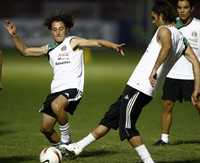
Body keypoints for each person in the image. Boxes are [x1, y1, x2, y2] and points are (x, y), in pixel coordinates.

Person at [60, 1, 200, 163]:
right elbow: (196, 63)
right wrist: (196, 88)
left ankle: (148, 161)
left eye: (154, 18)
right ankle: (78, 146)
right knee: (110, 118)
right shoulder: (181, 38)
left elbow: (166, 47)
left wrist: (155, 69)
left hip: (140, 88)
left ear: (162, 16)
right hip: (136, 87)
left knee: (127, 127)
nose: (153, 21)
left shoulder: (164, 30)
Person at [4, 13, 124, 147]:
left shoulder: (73, 42)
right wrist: (14, 35)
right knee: (46, 129)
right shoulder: (48, 49)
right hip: (56, 91)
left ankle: (66, 138)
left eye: (61, 28)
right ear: (51, 31)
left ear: (67, 30)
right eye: (54, 29)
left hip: (73, 88)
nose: (58, 32)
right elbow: (25, 51)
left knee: (57, 105)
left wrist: (112, 45)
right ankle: (65, 149)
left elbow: (97, 42)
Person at [154, 0, 200, 146]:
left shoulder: (198, 26)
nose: (182, 10)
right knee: (167, 105)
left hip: (192, 75)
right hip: (173, 73)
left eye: (185, 7)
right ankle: (164, 138)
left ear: (192, 9)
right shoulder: (172, 25)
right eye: (179, 8)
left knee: (198, 105)